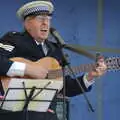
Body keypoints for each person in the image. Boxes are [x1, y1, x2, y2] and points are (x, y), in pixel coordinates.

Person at [0, 0, 107, 120]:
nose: (45, 23)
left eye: (48, 19)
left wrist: (90, 77)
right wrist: (27, 69)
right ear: (27, 23)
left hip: (48, 116)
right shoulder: (14, 39)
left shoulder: (55, 50)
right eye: (40, 19)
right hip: (16, 115)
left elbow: (65, 87)